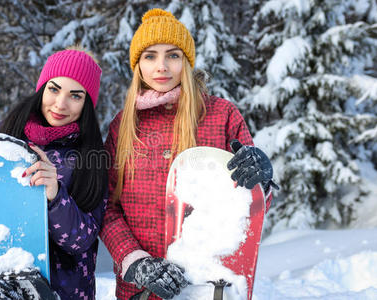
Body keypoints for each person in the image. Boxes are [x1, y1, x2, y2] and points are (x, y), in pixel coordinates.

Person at [99, 8, 278, 300]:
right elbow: (105, 205)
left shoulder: (221, 115)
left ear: (186, 61)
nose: (162, 67)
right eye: (150, 56)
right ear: (138, 65)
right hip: (140, 289)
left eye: (173, 55)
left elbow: (253, 206)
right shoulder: (123, 126)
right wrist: (134, 260)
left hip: (207, 286)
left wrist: (261, 182)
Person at [0, 47, 108, 300]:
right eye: (54, 89)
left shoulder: (92, 158)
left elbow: (80, 242)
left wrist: (55, 196)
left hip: (64, 293)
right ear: (42, 88)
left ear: (87, 103)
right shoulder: (5, 139)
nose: (60, 104)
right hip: (1, 290)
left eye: (75, 95)